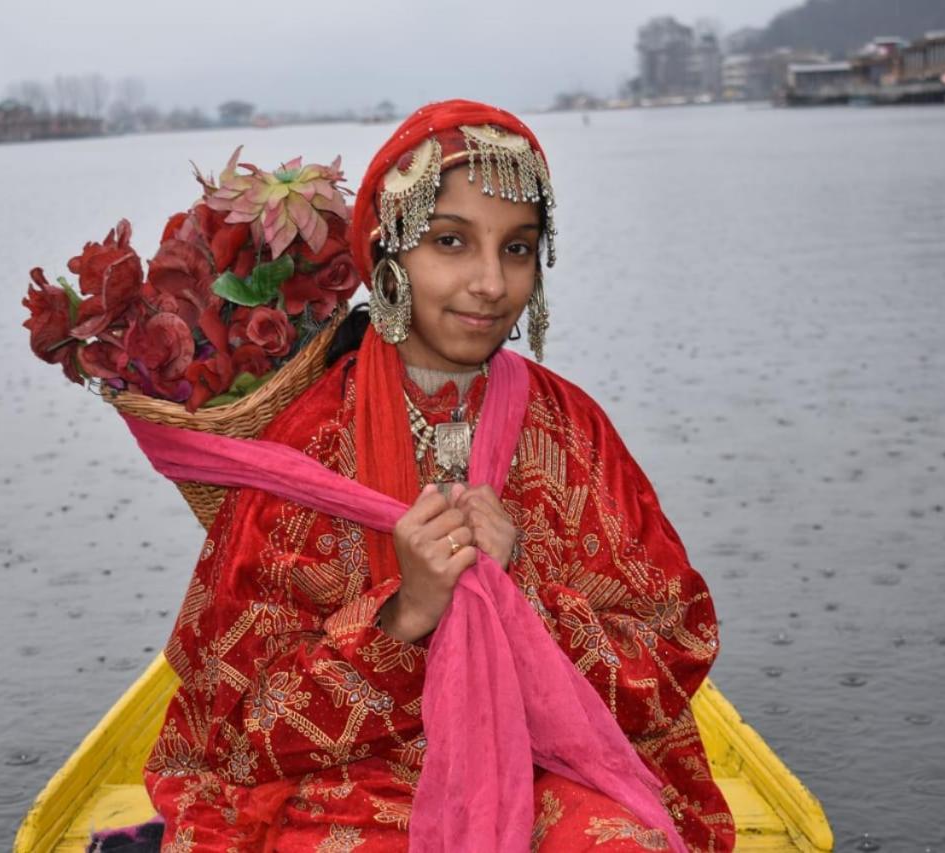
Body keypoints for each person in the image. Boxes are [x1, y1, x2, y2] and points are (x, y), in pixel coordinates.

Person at [140, 100, 734, 852]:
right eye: (452, 242)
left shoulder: (571, 429)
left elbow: (678, 644)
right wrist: (403, 617)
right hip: (359, 781)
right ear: (389, 254)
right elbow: (235, 727)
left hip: (556, 764)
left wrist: (525, 600)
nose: (491, 282)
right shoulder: (311, 445)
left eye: (517, 250)